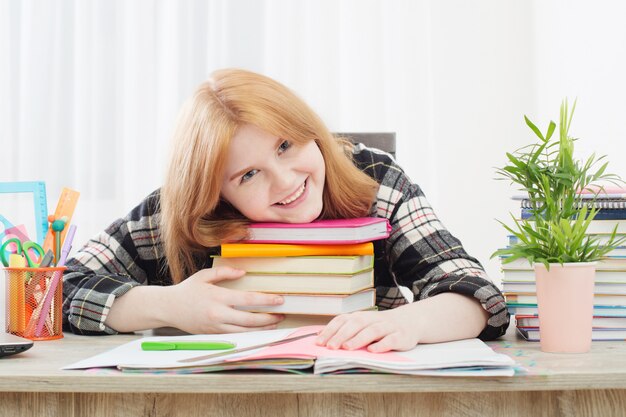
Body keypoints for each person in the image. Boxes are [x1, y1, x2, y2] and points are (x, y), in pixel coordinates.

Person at [62, 68, 509, 352]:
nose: (286, 180)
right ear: (215, 195)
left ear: (309, 130)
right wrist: (168, 305)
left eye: (285, 145)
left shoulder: (375, 178)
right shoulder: (173, 215)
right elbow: (56, 291)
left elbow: (475, 294)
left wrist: (410, 322)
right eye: (248, 175)